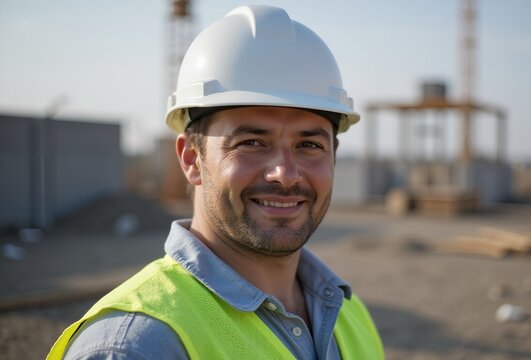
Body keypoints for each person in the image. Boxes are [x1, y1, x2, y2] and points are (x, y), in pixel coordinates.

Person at [48, 5, 383, 360]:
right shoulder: (136, 346)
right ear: (192, 160)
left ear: (333, 154)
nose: (284, 173)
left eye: (309, 145)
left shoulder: (349, 314)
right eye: (251, 143)